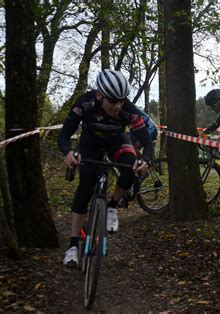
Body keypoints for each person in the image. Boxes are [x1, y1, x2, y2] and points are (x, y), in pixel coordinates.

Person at [57, 69, 153, 268]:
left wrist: (145, 160)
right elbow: (64, 135)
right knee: (86, 186)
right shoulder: (85, 103)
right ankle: (73, 245)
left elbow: (147, 142)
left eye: (121, 100)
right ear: (100, 94)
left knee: (129, 167)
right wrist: (68, 153)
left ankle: (112, 206)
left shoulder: (129, 109)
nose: (117, 106)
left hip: (116, 141)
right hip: (90, 144)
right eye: (112, 101)